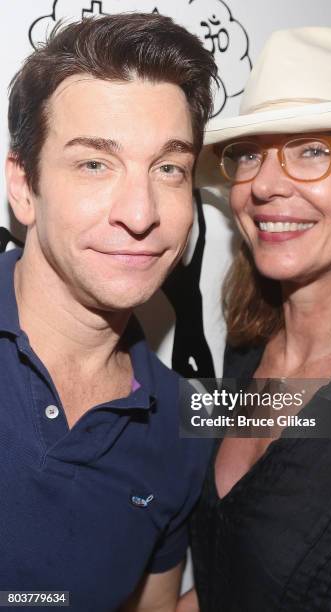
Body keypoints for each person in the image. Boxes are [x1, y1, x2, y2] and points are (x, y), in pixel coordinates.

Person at [182, 27, 331, 611]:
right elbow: (235, 570)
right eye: (250, 154)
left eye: (313, 150)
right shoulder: (246, 350)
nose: (265, 184)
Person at [1, 13, 216, 612]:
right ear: (23, 184)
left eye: (169, 168)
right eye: (95, 163)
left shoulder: (183, 424)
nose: (141, 212)